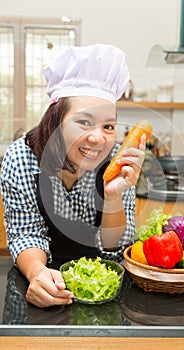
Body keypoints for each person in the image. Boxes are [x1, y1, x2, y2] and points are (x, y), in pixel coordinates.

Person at [0, 44, 146, 308]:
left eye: (108, 126)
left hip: (104, 285)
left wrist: (113, 195)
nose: (97, 137)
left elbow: (116, 248)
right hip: (44, 277)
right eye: (84, 122)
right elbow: (25, 234)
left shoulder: (117, 160)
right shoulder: (21, 158)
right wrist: (38, 274)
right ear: (57, 120)